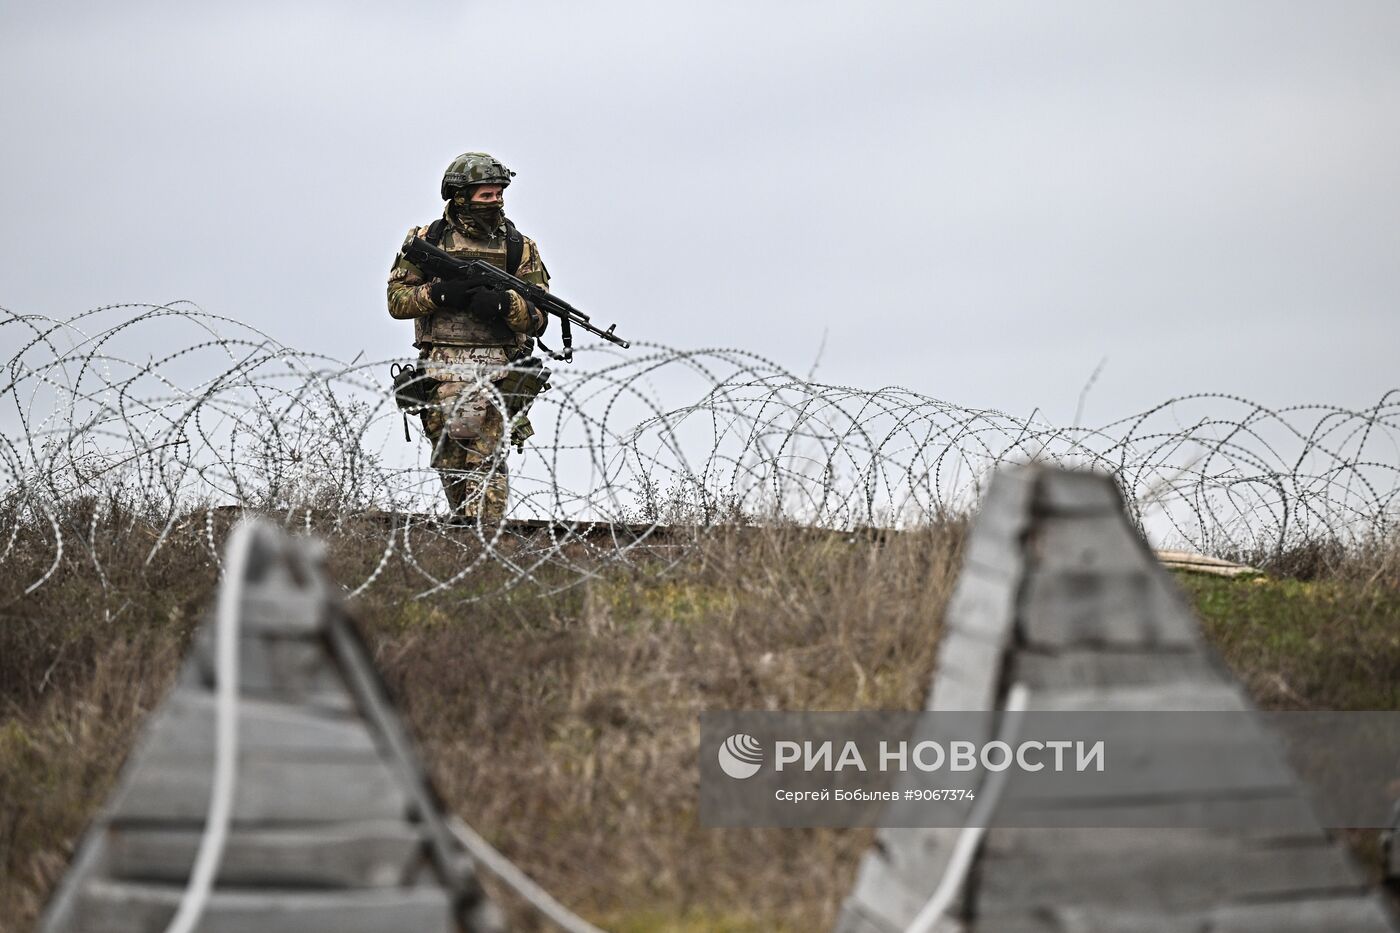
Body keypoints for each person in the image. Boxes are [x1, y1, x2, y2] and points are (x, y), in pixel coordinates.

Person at [386, 152, 550, 522]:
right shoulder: (429, 240)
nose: (495, 202)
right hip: (440, 370)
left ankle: (485, 539)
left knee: (487, 461)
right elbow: (396, 301)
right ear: (460, 196)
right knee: (451, 464)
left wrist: (504, 305)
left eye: (498, 195)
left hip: (498, 371)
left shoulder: (518, 247)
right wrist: (441, 295)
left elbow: (539, 320)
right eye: (485, 196)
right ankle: (467, 543)